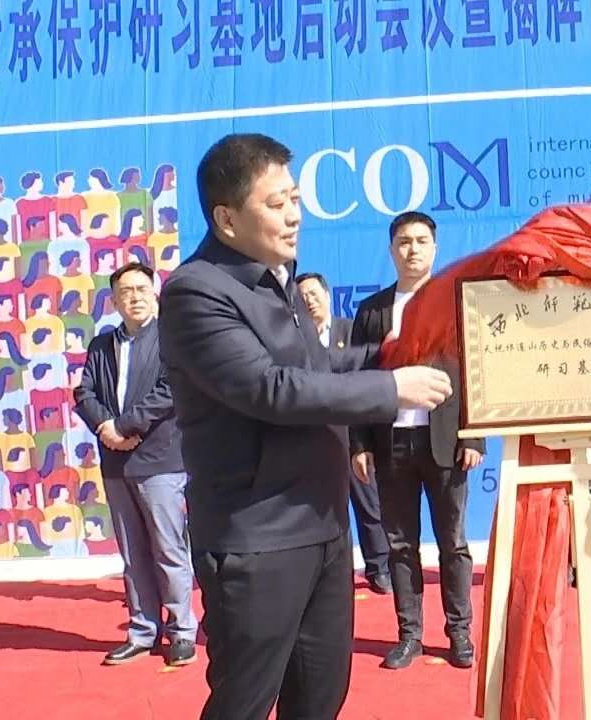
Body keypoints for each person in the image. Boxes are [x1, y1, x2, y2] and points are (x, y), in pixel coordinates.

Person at [158, 133, 452, 719]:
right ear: (226, 218)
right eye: (276, 204)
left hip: (323, 526)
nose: (294, 215)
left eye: (295, 198)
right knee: (244, 703)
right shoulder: (197, 292)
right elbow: (271, 389)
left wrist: (392, 354)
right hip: (256, 537)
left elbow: (317, 368)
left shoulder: (280, 277)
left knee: (320, 699)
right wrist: (391, 389)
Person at [350, 211, 484, 671]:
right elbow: (359, 381)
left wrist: (474, 436)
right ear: (391, 250)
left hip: (446, 441)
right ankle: (409, 636)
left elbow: (477, 372)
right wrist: (359, 444)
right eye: (404, 242)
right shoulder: (372, 311)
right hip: (391, 443)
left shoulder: (457, 303)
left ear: (435, 247)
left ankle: (459, 633)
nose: (412, 250)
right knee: (400, 545)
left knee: (453, 543)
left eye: (421, 241)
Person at [73, 261, 196, 667]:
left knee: (168, 549)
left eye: (141, 289)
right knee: (133, 554)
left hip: (160, 460)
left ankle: (181, 631)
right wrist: (105, 428)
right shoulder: (101, 345)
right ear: (114, 300)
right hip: (115, 461)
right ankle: (143, 630)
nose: (135, 297)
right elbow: (84, 393)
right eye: (125, 291)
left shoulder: (172, 339)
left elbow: (170, 390)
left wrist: (125, 426)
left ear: (154, 293)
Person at [298, 271, 392, 596]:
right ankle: (326, 574)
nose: (309, 301)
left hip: (354, 435)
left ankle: (379, 566)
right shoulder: (295, 340)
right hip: (315, 438)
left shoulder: (351, 332)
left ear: (328, 295)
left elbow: (366, 375)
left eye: (314, 294)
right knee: (319, 510)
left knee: (369, 504)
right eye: (302, 297)